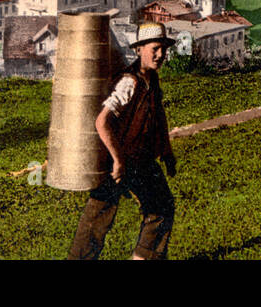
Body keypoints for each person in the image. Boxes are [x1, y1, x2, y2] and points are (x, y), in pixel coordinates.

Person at [68, 22, 178, 260]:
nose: (160, 55)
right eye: (155, 49)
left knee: (161, 206)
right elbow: (102, 122)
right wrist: (117, 160)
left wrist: (167, 152)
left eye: (163, 50)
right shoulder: (129, 82)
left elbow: (159, 117)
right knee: (97, 219)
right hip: (118, 163)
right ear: (139, 50)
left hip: (142, 162)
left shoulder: (153, 81)